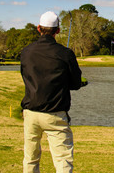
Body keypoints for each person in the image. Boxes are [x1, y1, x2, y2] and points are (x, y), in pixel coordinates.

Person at [20, 11, 82, 173]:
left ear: (39, 28)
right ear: (58, 30)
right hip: (55, 114)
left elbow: (25, 77)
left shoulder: (26, 52)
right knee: (62, 160)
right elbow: (76, 84)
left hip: (30, 113)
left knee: (30, 158)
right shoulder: (65, 53)